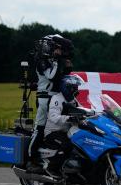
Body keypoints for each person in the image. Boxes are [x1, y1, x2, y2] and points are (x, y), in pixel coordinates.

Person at [27, 33, 74, 168]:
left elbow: (62, 76)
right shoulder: (42, 61)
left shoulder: (53, 60)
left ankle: (52, 156)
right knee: (40, 128)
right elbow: (52, 76)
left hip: (55, 98)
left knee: (59, 127)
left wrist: (65, 64)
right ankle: (30, 158)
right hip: (44, 98)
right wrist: (59, 60)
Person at [37, 74, 91, 177]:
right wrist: (69, 118)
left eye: (77, 87)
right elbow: (53, 116)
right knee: (68, 145)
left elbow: (82, 110)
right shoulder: (57, 99)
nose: (76, 90)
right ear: (67, 87)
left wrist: (94, 114)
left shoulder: (73, 100)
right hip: (53, 132)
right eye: (74, 87)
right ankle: (51, 168)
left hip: (67, 131)